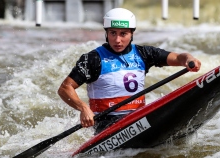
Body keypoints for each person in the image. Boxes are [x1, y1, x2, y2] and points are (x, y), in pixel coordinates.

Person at [58, 8, 201, 135]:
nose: (117, 40)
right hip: (107, 125)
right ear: (106, 33)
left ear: (132, 33)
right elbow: (65, 88)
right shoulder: (92, 59)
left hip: (139, 118)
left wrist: (188, 59)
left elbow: (177, 57)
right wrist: (83, 108)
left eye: (123, 34)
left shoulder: (144, 53)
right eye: (113, 33)